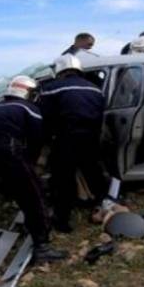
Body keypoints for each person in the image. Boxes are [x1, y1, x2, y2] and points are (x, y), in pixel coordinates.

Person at [0, 75, 68, 262]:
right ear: (26, 92)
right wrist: (30, 164)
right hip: (7, 149)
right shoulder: (29, 108)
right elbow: (36, 140)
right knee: (33, 195)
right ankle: (42, 246)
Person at [39, 55, 108, 233]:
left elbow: (44, 117)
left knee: (63, 180)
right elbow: (101, 113)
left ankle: (62, 222)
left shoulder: (50, 88)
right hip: (91, 137)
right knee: (93, 172)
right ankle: (104, 208)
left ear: (60, 71)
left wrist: (45, 142)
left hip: (65, 138)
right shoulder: (95, 89)